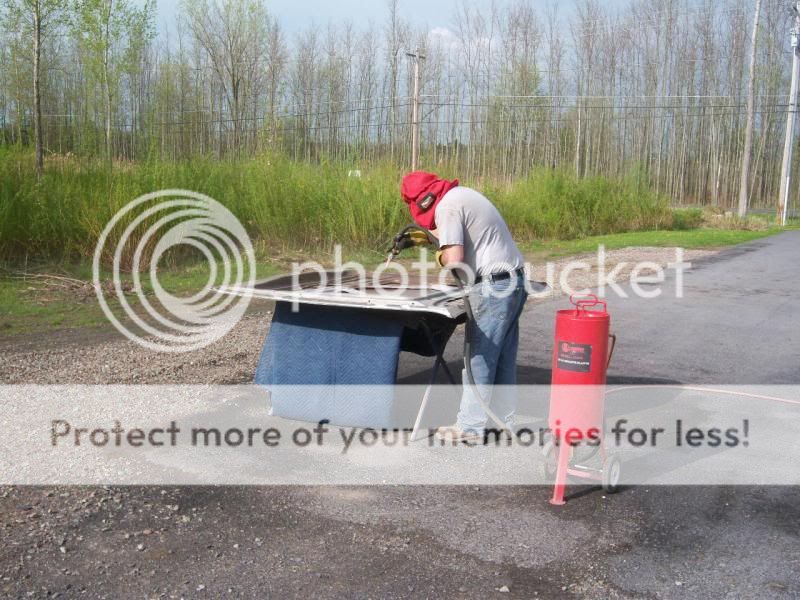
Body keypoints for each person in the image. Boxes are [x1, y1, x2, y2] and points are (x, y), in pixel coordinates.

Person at [400, 171, 528, 442]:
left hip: (493, 286)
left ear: (419, 202)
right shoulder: (460, 197)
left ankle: (470, 428)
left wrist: (440, 255)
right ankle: (502, 422)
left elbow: (455, 259)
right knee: (502, 357)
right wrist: (434, 238)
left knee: (478, 359)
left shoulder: (447, 207)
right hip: (513, 280)